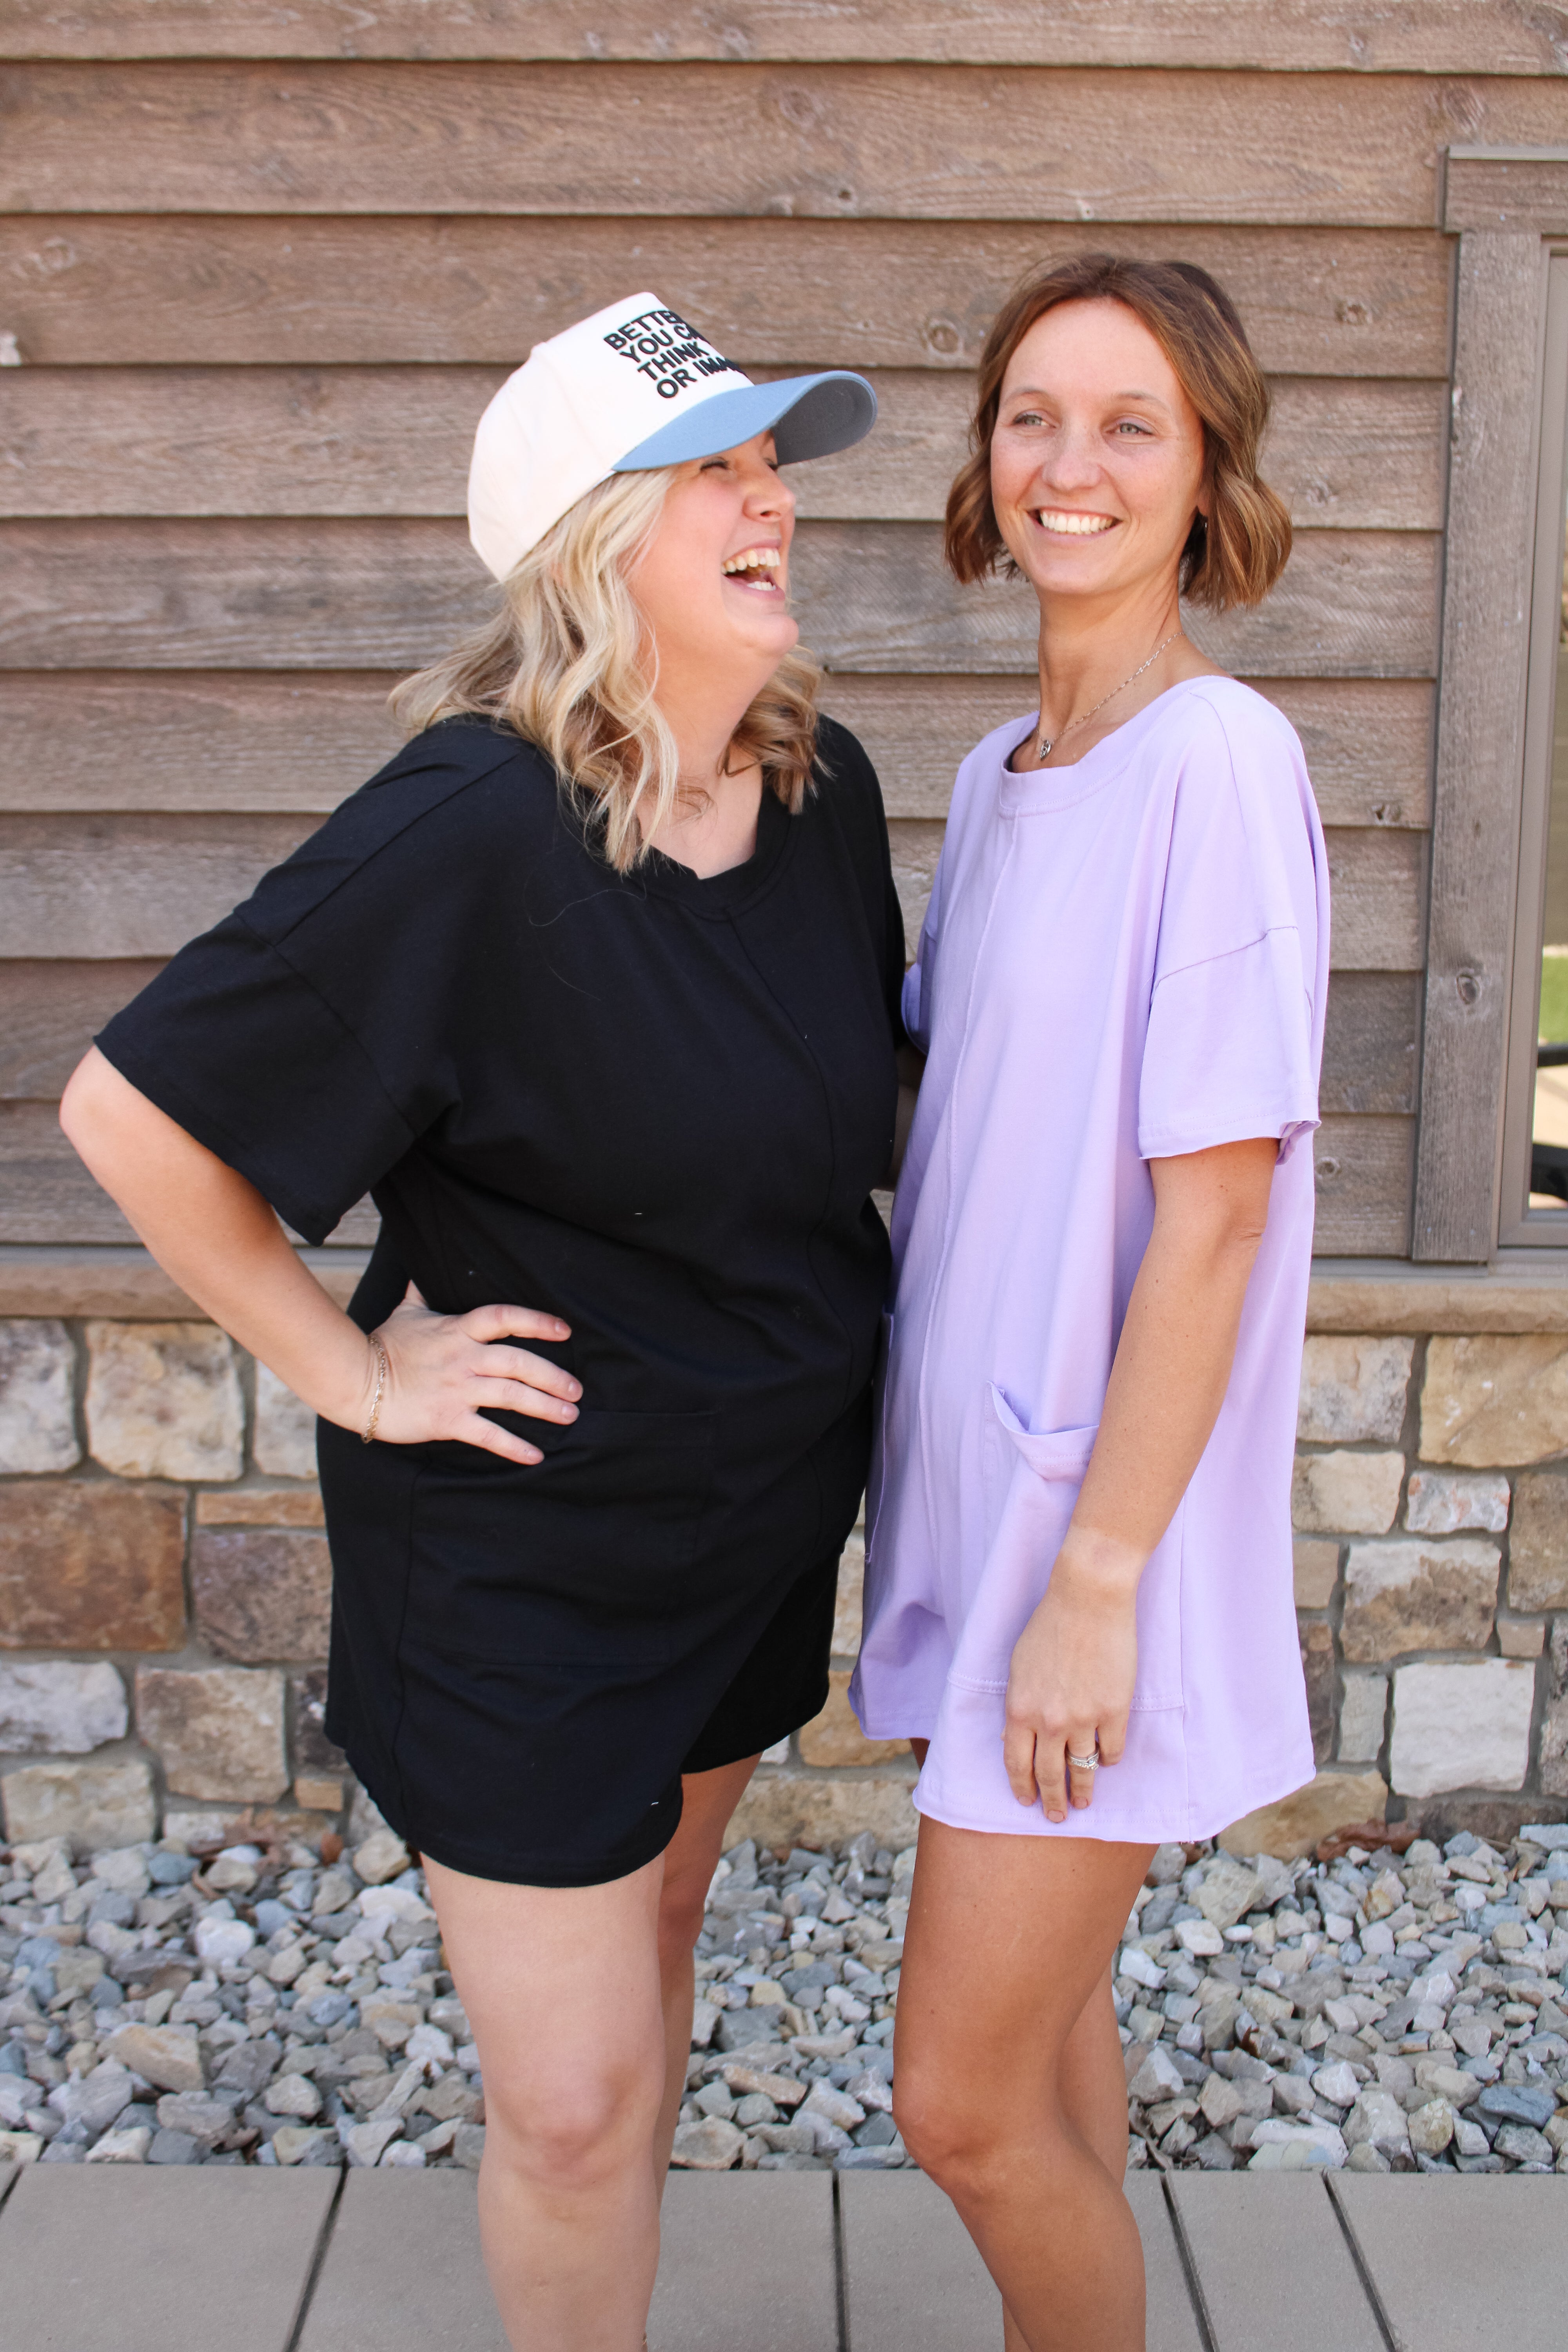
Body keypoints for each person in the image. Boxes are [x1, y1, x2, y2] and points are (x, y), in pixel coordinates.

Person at [60, 295, 904, 2350]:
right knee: (577, 2101)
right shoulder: (470, 826)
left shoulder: (821, 793)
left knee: (660, 1943)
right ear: (588, 539)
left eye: (772, 463)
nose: (772, 500)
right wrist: (351, 1371)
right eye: (713, 471)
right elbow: (130, 1114)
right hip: (531, 1565)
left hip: (744, 1534)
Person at [851, 255, 1327, 2350]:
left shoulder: (1218, 759)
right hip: (980, 1504)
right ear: (985, 458)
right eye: (1032, 414)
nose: (1072, 463)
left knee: (956, 2104)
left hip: (1093, 1536)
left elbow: (1215, 1222)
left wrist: (1101, 1582)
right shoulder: (996, 776)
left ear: (1209, 470)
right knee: (1044, 2049)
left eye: (1133, 423)